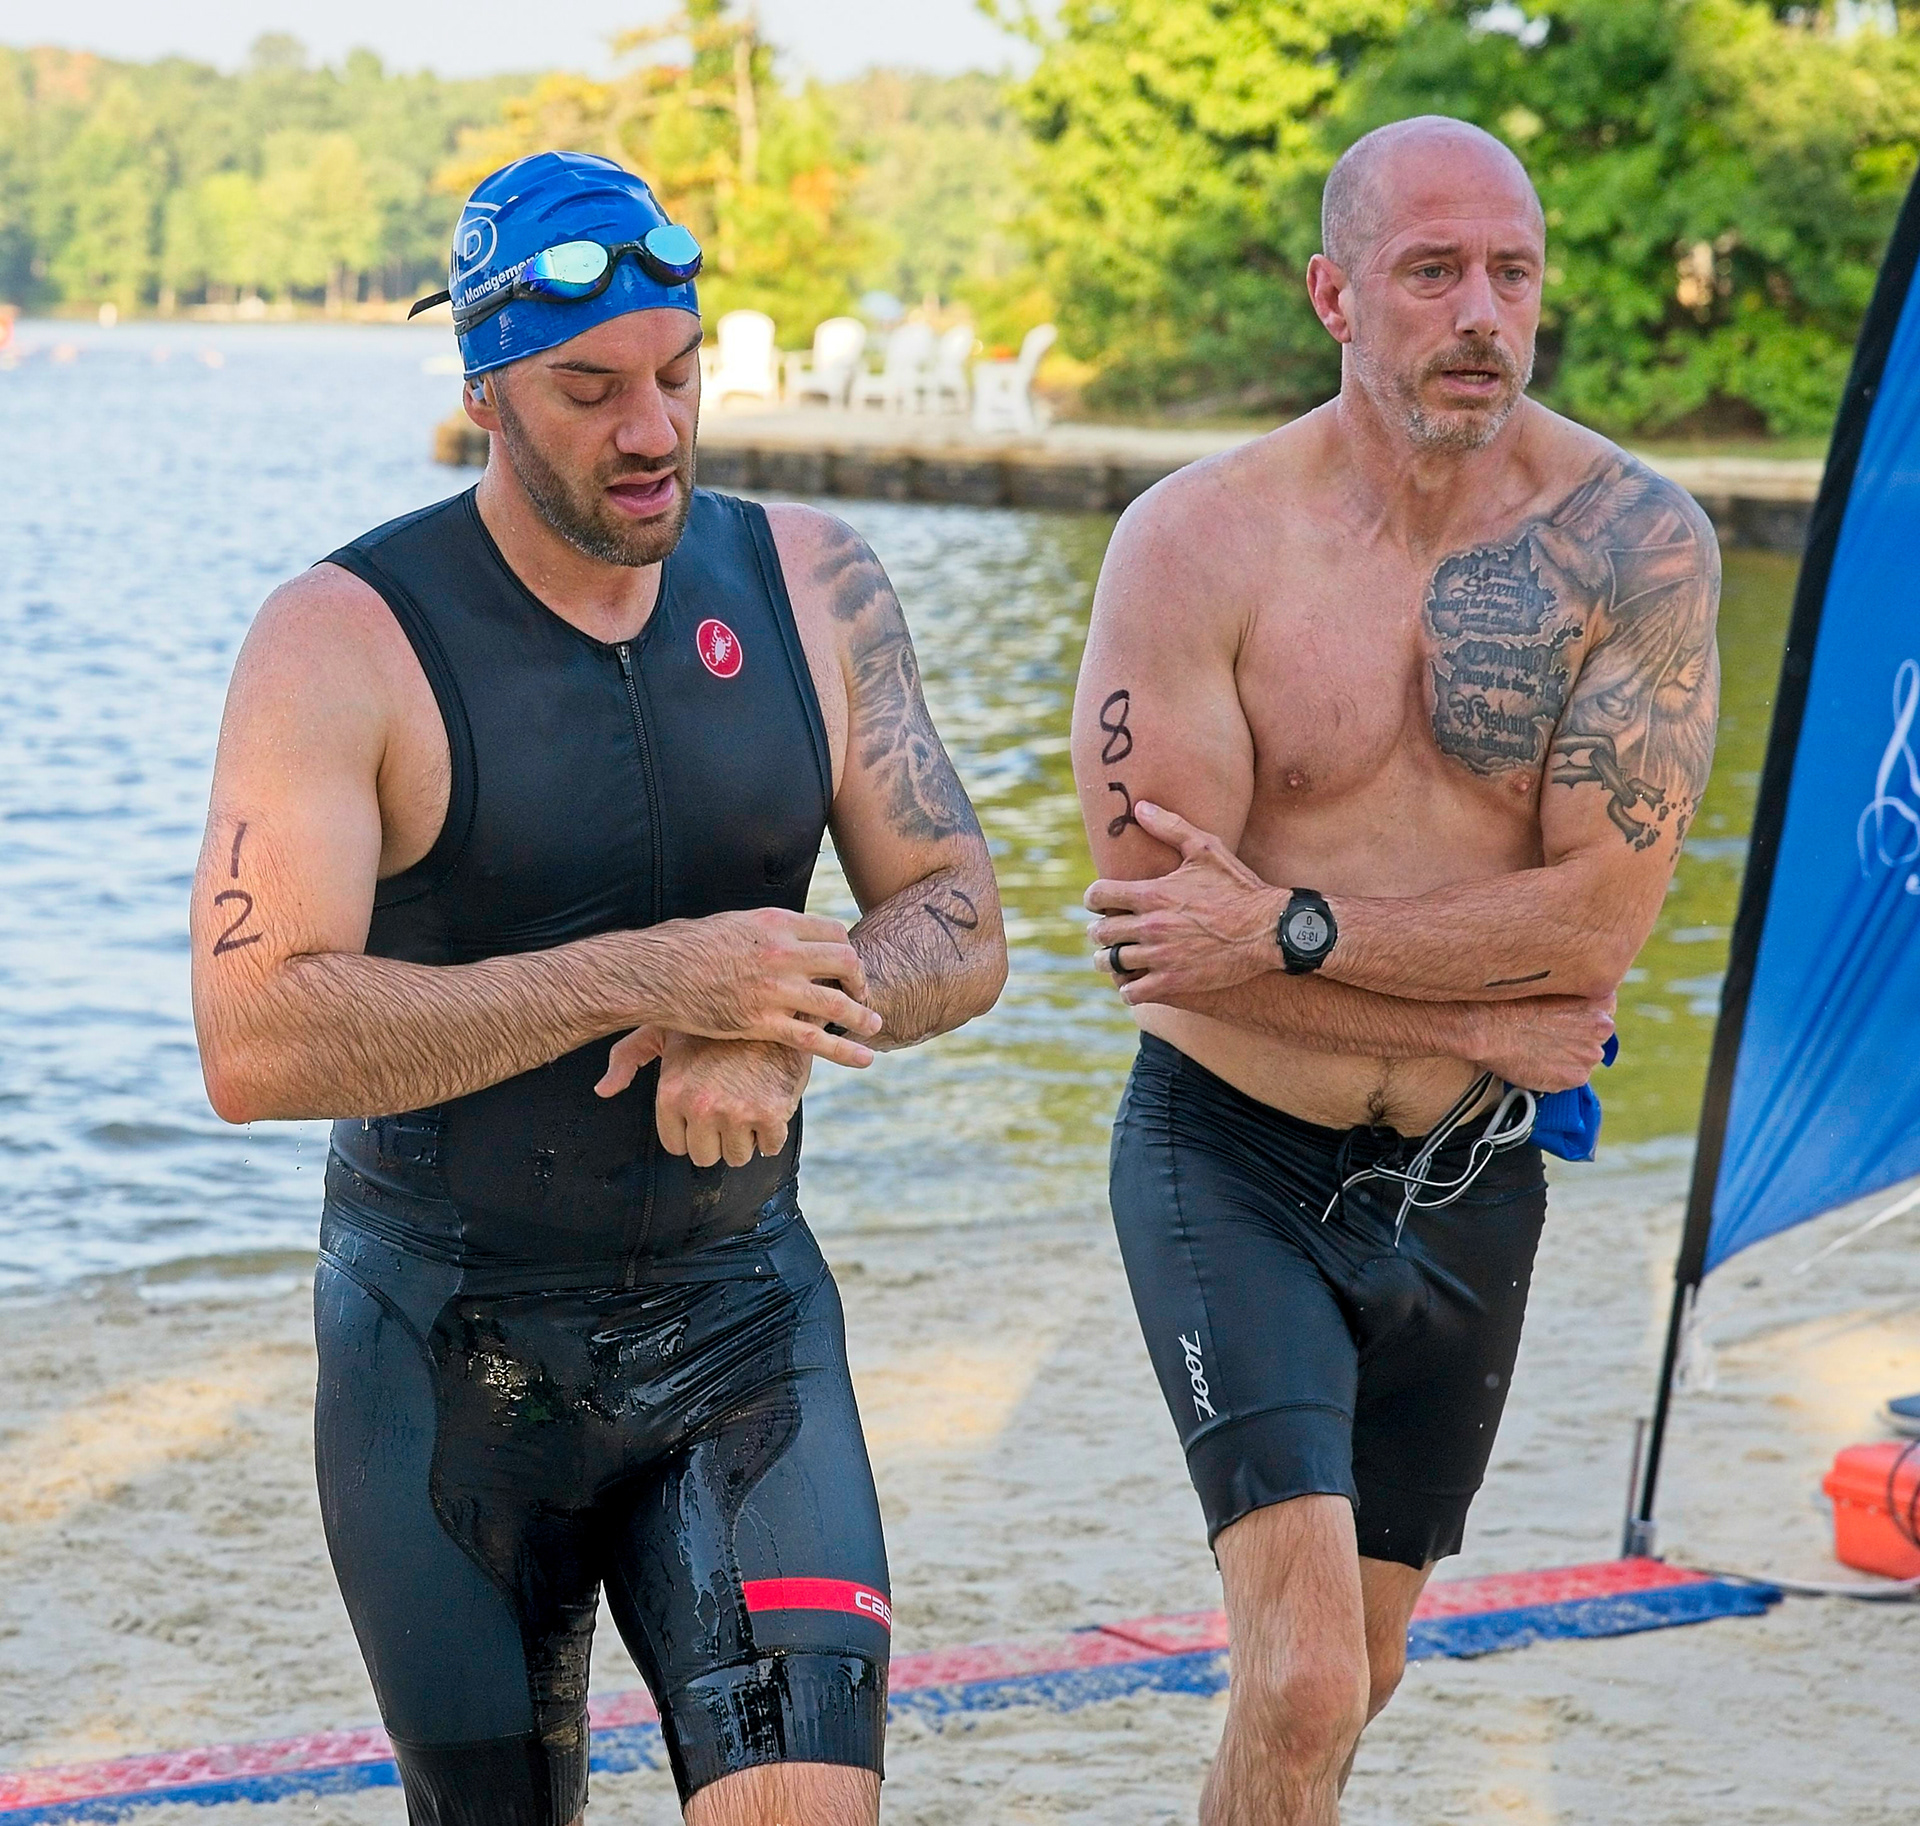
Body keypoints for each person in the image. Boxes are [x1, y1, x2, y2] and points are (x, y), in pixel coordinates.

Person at [190, 151, 1005, 1826]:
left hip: (740, 1320)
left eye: (678, 375)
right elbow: (253, 1035)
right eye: (589, 390)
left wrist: (785, 1018)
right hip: (448, 1353)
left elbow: (961, 916)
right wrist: (641, 973)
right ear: (484, 391)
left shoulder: (814, 585)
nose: (652, 430)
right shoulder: (341, 637)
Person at [1070, 116, 1718, 1824]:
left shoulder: (1635, 543)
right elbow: (1162, 945)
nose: (1481, 314)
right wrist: (1496, 1010)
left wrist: (1289, 927)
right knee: (1297, 1673)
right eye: (1432, 272)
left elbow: (1596, 931)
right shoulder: (1197, 544)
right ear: (1334, 296)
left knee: (1359, 1669)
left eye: (1512, 273)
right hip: (1231, 1156)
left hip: (1469, 1175)